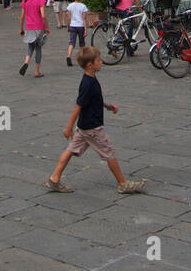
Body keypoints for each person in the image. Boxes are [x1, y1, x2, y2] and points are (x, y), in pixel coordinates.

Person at [45, 47, 146, 195]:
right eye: (98, 60)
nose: (101, 62)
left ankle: (54, 179)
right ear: (90, 65)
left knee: (71, 150)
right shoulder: (88, 83)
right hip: (92, 128)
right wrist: (68, 127)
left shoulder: (90, 79)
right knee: (109, 152)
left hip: (84, 127)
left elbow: (93, 100)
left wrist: (107, 106)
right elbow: (78, 106)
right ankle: (123, 184)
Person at [19, 0, 50, 78]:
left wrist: (21, 29)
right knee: (38, 48)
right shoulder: (40, 0)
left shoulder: (25, 1)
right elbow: (43, 16)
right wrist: (47, 27)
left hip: (29, 27)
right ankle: (37, 71)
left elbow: (22, 17)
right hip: (39, 27)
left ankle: (26, 62)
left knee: (30, 47)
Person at [65, 0, 88, 67]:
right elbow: (84, 18)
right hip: (80, 26)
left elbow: (68, 17)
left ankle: (68, 56)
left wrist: (68, 26)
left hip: (73, 25)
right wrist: (86, 29)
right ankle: (82, 59)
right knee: (82, 43)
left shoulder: (70, 6)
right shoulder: (83, 6)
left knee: (72, 42)